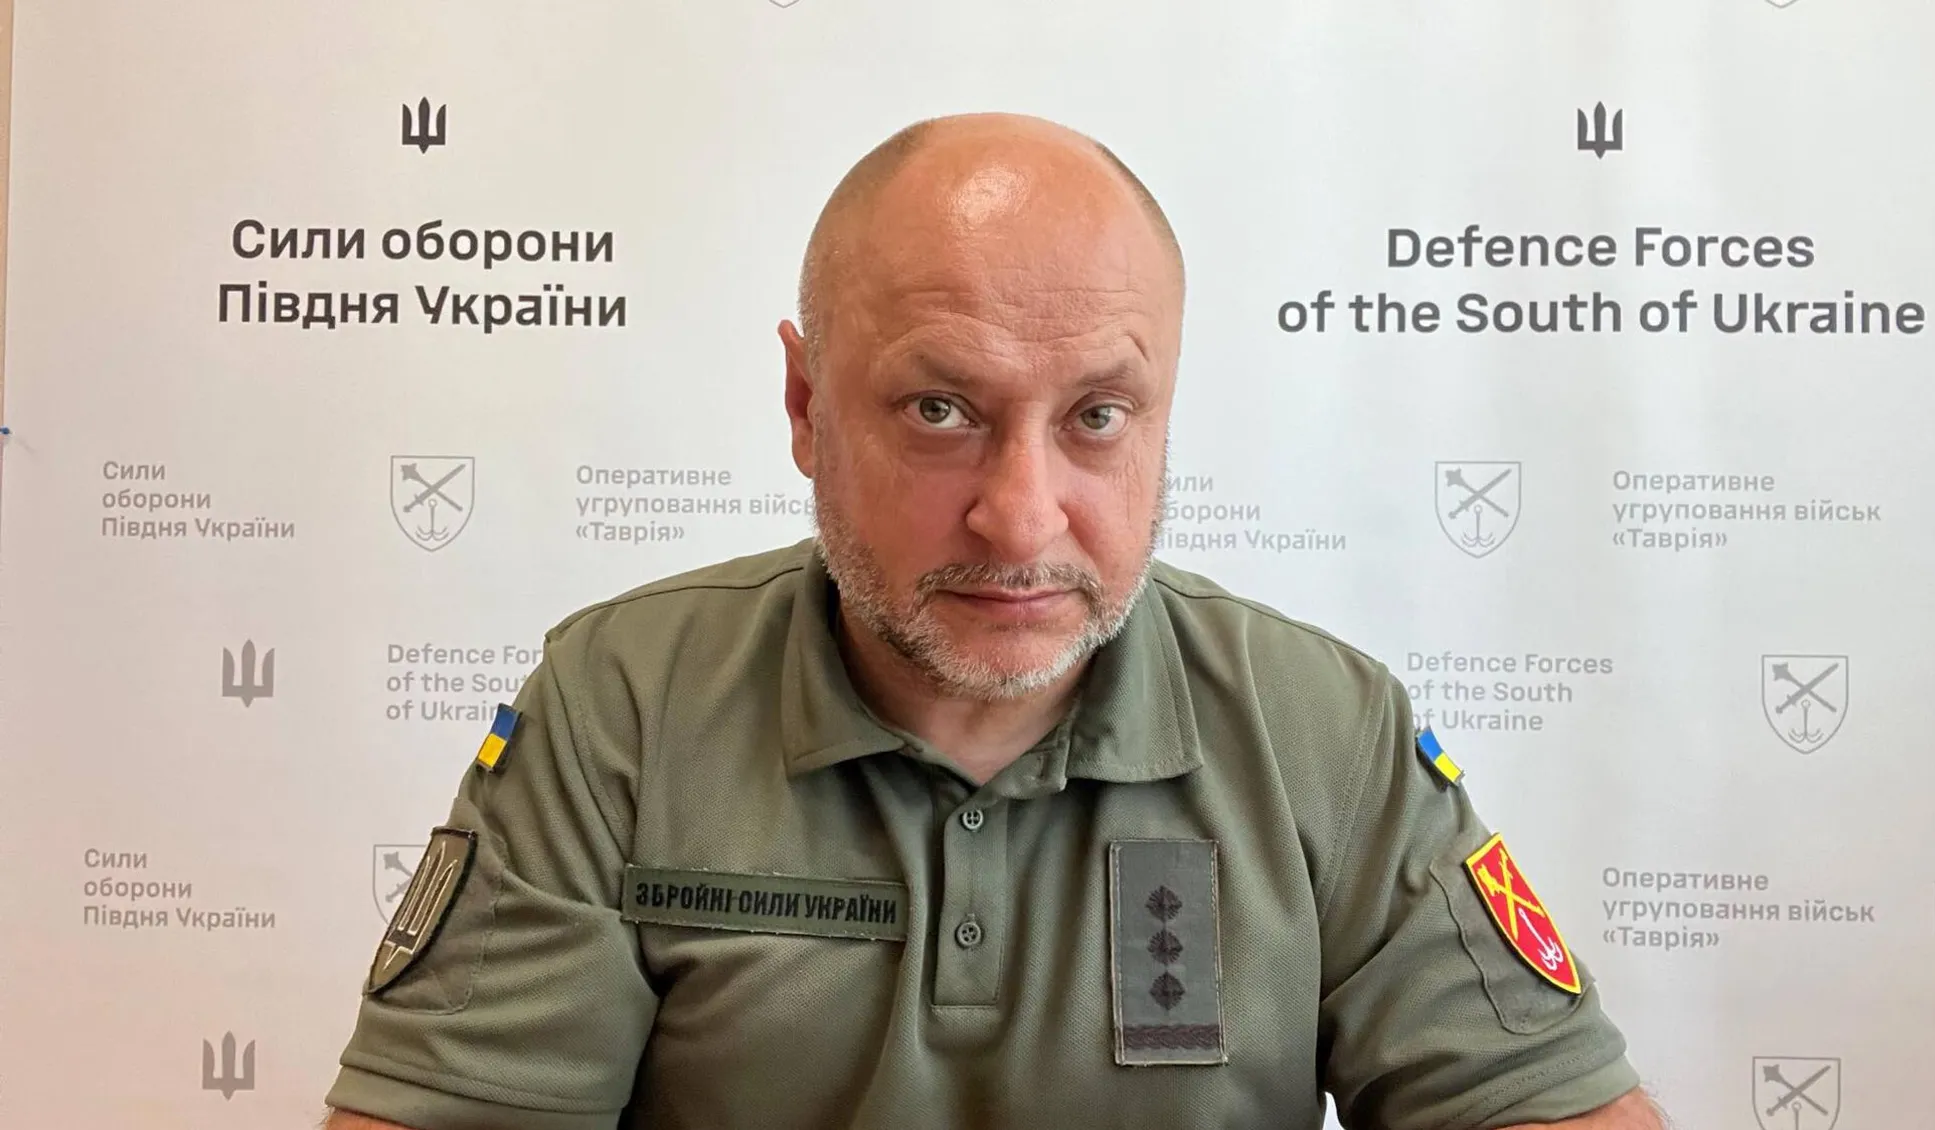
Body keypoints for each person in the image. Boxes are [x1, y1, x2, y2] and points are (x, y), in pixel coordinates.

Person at [322, 112, 1665, 1130]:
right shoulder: (621, 704)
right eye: (940, 411)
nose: (1021, 520)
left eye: (1096, 416)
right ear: (806, 407)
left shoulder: (1325, 729)